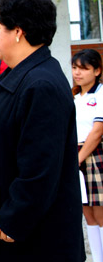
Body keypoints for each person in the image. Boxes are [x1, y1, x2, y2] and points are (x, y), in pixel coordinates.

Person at [0, 0, 85, 261]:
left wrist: (14, 217)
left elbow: (40, 168)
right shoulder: (14, 76)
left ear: (18, 32)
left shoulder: (41, 85)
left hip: (26, 242)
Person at [72, 49, 103, 262]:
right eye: (74, 68)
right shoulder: (73, 96)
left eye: (84, 68)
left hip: (94, 155)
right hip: (76, 155)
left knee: (100, 213)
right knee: (87, 214)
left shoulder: (100, 94)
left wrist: (79, 158)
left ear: (97, 70)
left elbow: (98, 131)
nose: (78, 73)